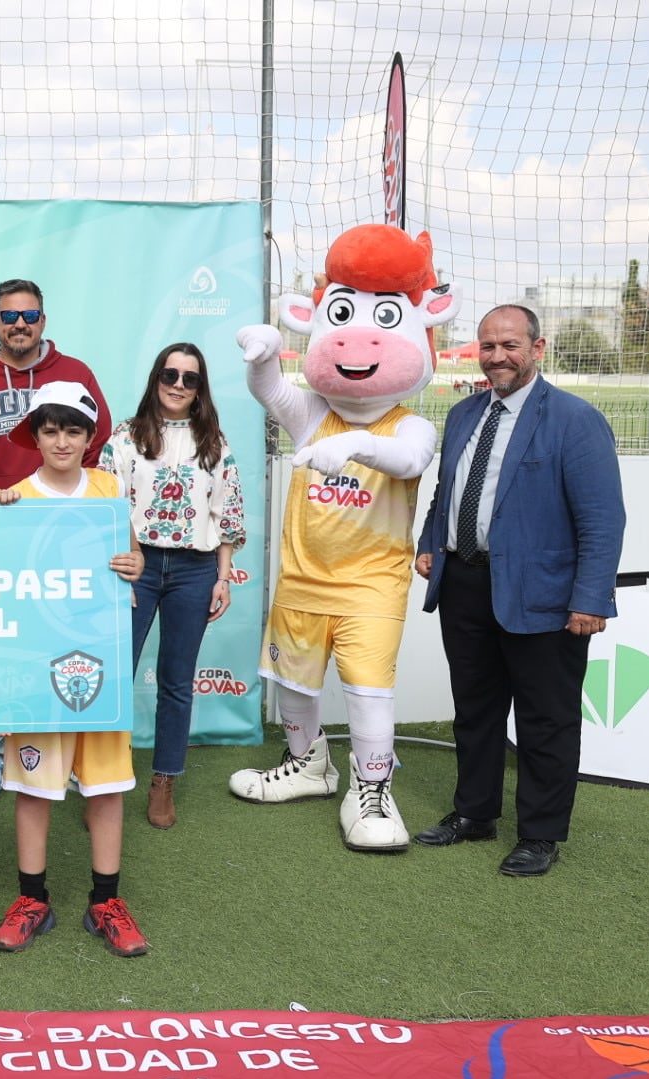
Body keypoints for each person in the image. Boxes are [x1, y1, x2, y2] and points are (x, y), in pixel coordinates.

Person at [228, 225, 457, 853]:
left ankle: (373, 788)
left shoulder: (410, 423)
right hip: (302, 578)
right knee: (295, 685)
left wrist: (354, 445)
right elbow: (271, 391)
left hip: (369, 586)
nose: (359, 342)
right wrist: (264, 352)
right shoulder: (311, 414)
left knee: (367, 690)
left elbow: (407, 462)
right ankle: (309, 766)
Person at [413, 305, 625, 877]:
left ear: (538, 347)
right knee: (475, 711)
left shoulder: (574, 420)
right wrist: (432, 545)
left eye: (509, 345)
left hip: (546, 597)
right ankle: (474, 814)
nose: (497, 356)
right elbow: (447, 495)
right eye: (488, 346)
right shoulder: (461, 415)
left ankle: (539, 834)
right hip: (464, 587)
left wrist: (589, 599)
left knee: (545, 720)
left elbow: (603, 520)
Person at [0, 279, 112, 807]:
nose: (19, 325)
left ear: (43, 320)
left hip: (67, 537)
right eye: (8, 316)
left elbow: (97, 443)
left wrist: (75, 510)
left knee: (69, 637)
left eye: (29, 315)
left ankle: (75, 749)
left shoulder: (76, 375)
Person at [0, 382, 150, 958]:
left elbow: (131, 559)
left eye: (73, 430)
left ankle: (105, 900)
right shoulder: (14, 497)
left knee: (104, 787)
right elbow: (1, 586)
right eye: (50, 429)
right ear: (34, 435)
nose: (62, 441)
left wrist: (136, 563)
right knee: (34, 789)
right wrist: (1, 522)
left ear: (89, 438)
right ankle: (33, 899)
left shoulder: (108, 488)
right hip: (37, 668)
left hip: (97, 663)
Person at [102, 344, 246, 829]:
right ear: (156, 377)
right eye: (171, 374)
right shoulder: (125, 436)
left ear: (201, 388)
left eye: (190, 379)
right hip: (136, 564)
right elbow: (108, 501)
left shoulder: (214, 442)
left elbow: (227, 512)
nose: (179, 384)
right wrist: (131, 553)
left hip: (196, 569)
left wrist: (223, 577)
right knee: (117, 677)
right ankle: (105, 782)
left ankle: (164, 781)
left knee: (177, 681)